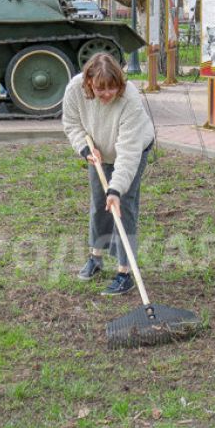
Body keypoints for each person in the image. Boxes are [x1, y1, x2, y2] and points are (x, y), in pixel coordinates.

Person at [61, 53, 156, 295]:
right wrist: (85, 149)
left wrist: (115, 189)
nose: (107, 94)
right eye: (101, 89)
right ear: (89, 82)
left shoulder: (129, 99)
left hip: (132, 148)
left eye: (112, 88)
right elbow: (71, 123)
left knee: (122, 204)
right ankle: (96, 256)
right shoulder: (75, 89)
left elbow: (128, 151)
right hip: (98, 151)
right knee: (99, 202)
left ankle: (125, 272)